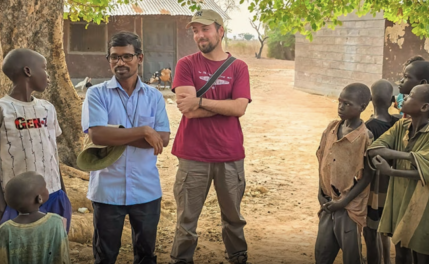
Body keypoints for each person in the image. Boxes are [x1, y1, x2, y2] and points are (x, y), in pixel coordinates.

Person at [81, 31, 171, 264]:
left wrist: (117, 135)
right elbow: (98, 135)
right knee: (105, 255)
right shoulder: (96, 94)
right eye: (114, 57)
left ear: (140, 58)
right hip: (107, 189)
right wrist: (143, 131)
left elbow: (162, 138)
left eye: (127, 57)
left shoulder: (154, 96)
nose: (120, 62)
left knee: (146, 255)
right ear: (108, 59)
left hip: (146, 189)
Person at [170, 9, 251, 264]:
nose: (199, 35)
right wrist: (225, 104)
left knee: (234, 220)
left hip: (230, 155)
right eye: (195, 30)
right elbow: (188, 111)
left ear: (220, 31)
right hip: (192, 155)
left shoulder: (239, 67)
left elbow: (240, 108)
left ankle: (237, 258)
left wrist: (202, 100)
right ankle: (181, 260)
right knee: (186, 221)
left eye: (205, 29)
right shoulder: (186, 64)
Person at [0, 48, 72, 233]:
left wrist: (63, 195)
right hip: (16, 202)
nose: (48, 75)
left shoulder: (47, 108)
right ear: (28, 71)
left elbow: (52, 153)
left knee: (52, 250)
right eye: (44, 68)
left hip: (53, 195)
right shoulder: (3, 109)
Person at [367, 84, 429, 264]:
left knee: (422, 255)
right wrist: (413, 158)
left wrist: (391, 168)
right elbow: (375, 149)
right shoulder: (401, 125)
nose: (403, 98)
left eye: (410, 95)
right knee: (401, 252)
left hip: (423, 203)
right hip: (398, 197)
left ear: (424, 107)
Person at [315, 83, 374, 264]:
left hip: (350, 207)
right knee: (322, 253)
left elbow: (367, 177)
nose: (341, 107)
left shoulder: (365, 137)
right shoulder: (331, 128)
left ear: (362, 108)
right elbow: (322, 161)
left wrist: (343, 202)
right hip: (328, 202)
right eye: (340, 101)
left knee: (351, 256)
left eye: (347, 104)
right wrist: (321, 192)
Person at [363, 80, 400, 264]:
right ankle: (387, 259)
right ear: (393, 99)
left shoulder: (367, 126)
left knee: (372, 229)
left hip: (375, 188)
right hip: (396, 184)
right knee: (386, 228)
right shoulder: (400, 122)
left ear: (370, 99)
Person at [0, 171, 70, 264]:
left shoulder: (5, 229)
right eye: (45, 187)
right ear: (39, 198)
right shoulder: (56, 222)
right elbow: (62, 255)